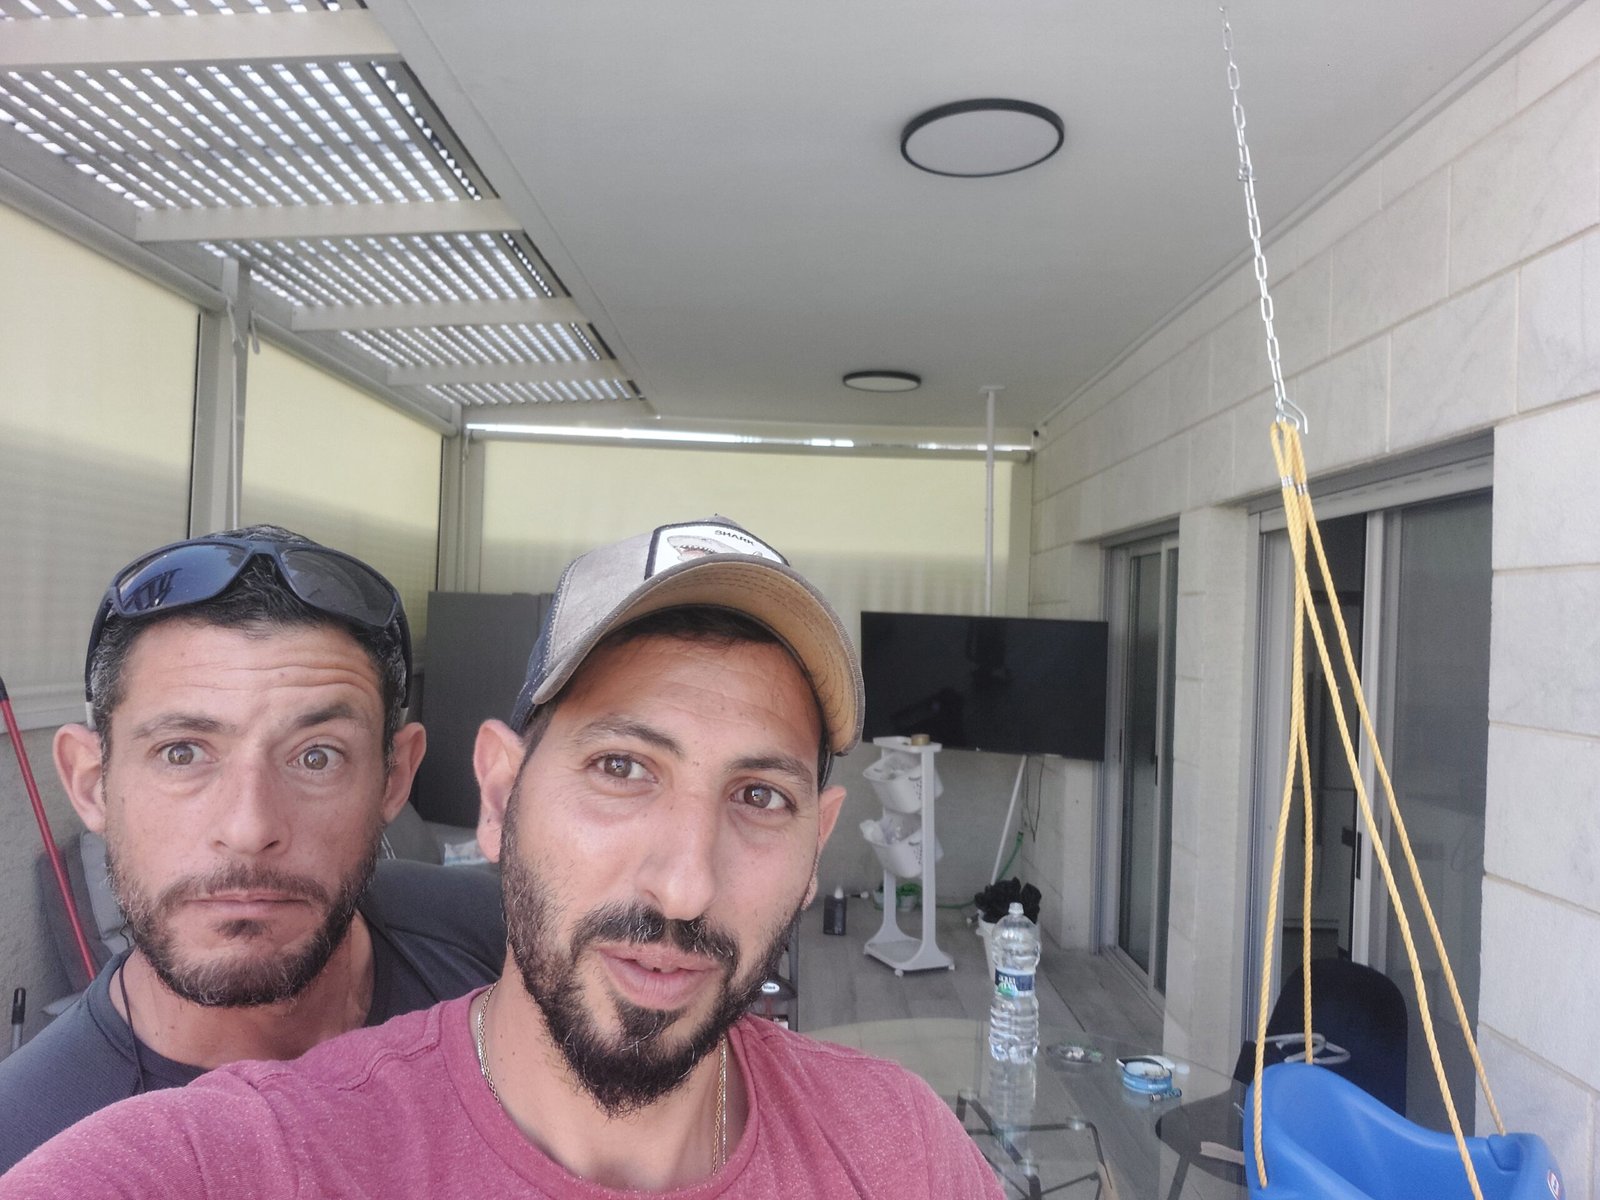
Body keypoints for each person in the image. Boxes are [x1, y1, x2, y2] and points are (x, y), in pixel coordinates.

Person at [2, 516, 1002, 1198]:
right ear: (498, 796)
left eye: (758, 796)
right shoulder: (157, 1147)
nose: (683, 887)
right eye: (622, 768)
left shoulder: (898, 1146)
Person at [0, 526, 504, 1173]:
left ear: (394, 778)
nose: (249, 827)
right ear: (91, 782)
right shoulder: (26, 1150)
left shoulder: (501, 940)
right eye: (182, 752)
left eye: (316, 757)